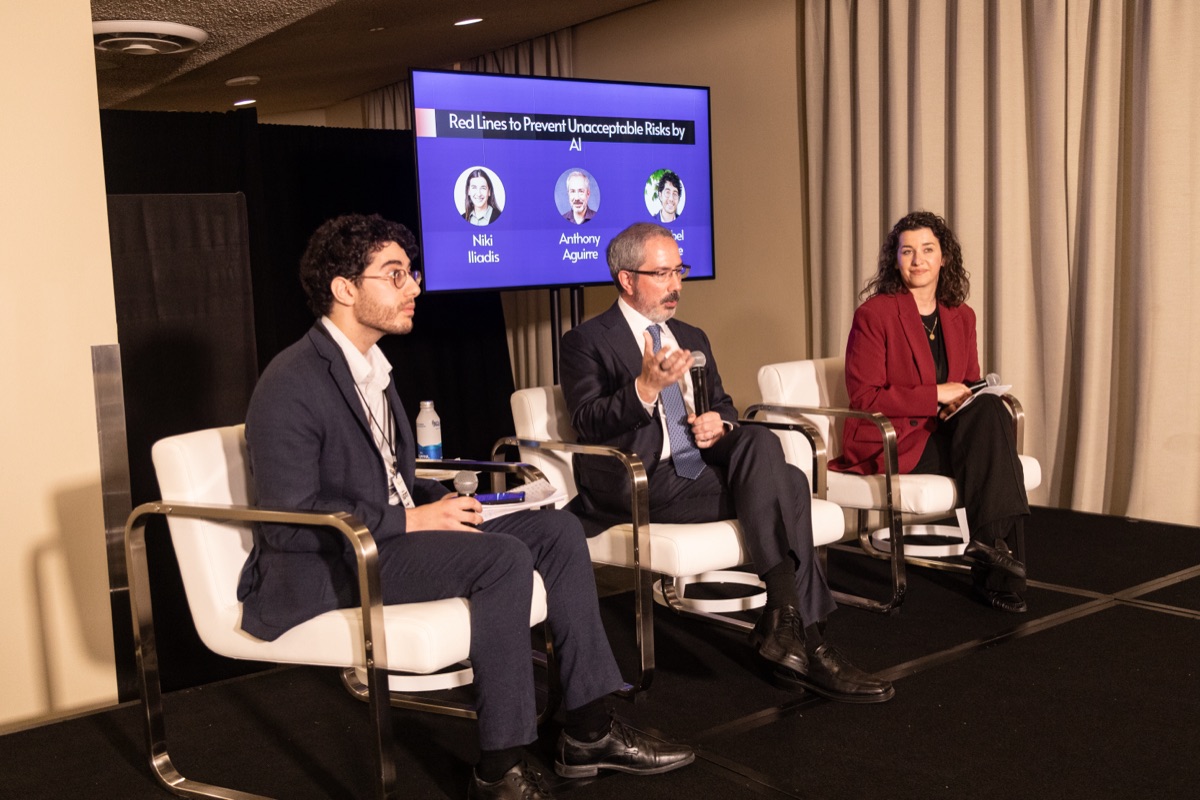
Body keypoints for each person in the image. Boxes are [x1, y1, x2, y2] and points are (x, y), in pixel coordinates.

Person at [239, 214, 694, 800]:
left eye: (412, 273)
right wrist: (412, 518)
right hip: (329, 562)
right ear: (345, 289)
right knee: (501, 560)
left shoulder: (372, 369)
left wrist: (453, 502)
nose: (414, 288)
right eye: (395, 275)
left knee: (556, 530)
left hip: (391, 536)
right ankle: (498, 767)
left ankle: (588, 728)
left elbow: (388, 478)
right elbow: (290, 518)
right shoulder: (291, 381)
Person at [559, 222, 894, 704]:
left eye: (679, 271)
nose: (675, 285)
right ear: (626, 278)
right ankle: (807, 639)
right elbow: (588, 421)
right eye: (662, 273)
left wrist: (721, 424)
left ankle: (786, 624)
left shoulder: (691, 336)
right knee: (792, 485)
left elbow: (727, 406)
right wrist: (645, 389)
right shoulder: (587, 340)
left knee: (760, 445)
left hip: (697, 466)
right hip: (639, 479)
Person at [834, 210, 1030, 613]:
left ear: (944, 258)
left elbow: (969, 380)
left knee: (990, 406)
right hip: (893, 440)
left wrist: (963, 397)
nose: (918, 260)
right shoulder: (875, 315)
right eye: (908, 251)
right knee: (993, 449)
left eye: (927, 250)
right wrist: (935, 394)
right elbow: (865, 398)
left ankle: (989, 549)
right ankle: (993, 560)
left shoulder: (961, 315)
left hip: (942, 431)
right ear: (896, 259)